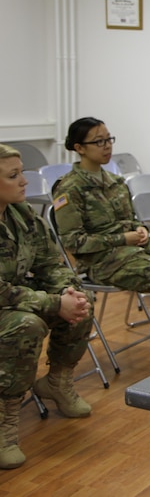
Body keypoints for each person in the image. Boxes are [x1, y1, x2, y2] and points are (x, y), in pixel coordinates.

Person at [53, 117, 150, 361]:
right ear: (79, 148)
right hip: (101, 260)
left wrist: (140, 229)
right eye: (98, 141)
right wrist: (123, 238)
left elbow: (130, 219)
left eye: (109, 139)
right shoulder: (69, 189)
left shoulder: (116, 182)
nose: (107, 146)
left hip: (134, 247)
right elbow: (74, 242)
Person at [0, 144, 94, 469]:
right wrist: (55, 303)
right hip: (6, 303)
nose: (25, 181)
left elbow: (50, 262)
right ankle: (4, 419)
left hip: (15, 299)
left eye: (22, 172)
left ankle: (57, 381)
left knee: (83, 301)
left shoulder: (21, 215)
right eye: (13, 176)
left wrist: (67, 292)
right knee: (27, 326)